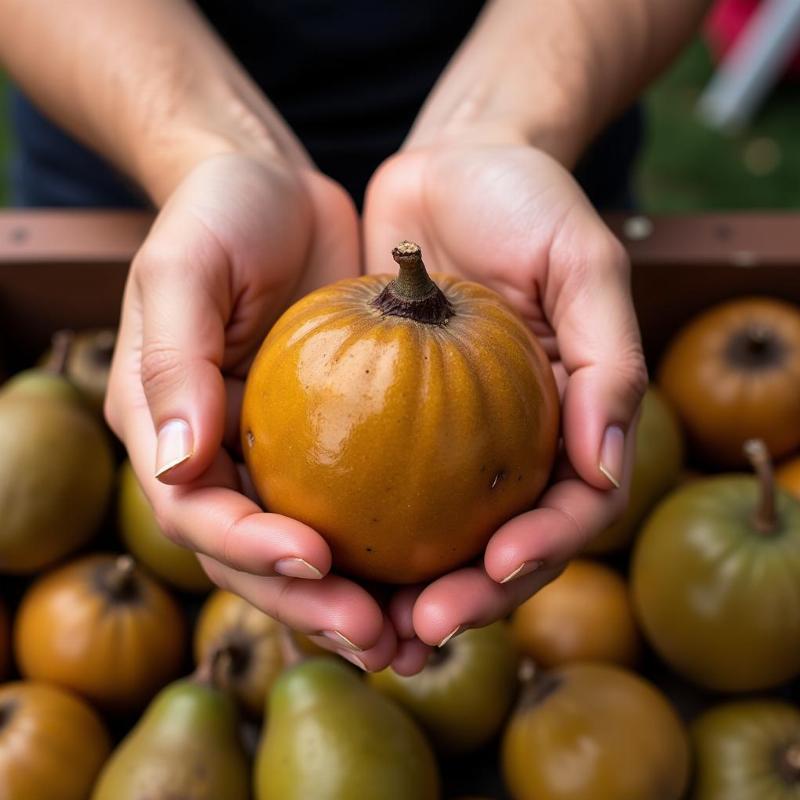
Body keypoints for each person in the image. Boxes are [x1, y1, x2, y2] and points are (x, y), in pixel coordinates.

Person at [0, 0, 706, 675]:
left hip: (542, 138)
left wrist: (498, 130)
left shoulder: (495, 338)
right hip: (118, 116)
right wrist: (204, 152)